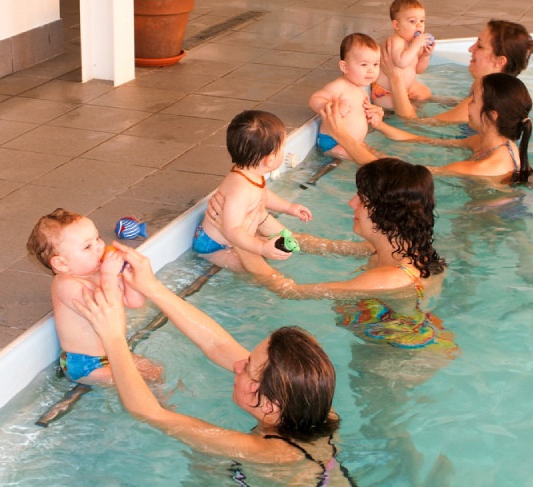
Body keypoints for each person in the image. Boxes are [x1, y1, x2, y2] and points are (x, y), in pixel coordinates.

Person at [70, 241, 357, 483]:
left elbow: (150, 413)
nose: (236, 364)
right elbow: (219, 344)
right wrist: (152, 287)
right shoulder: (313, 406)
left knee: (204, 460)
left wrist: (113, 337)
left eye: (247, 368)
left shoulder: (271, 452)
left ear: (270, 404)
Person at [225, 158, 457, 353]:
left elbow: (290, 291)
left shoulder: (389, 279)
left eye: (362, 200)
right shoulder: (403, 249)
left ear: (387, 213)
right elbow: (323, 246)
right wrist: (260, 218)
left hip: (397, 359)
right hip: (406, 337)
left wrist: (242, 243)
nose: (351, 203)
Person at [321, 73, 533, 185]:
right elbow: (422, 140)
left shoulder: (484, 167)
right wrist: (380, 125)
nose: (467, 104)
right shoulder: (488, 142)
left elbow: (401, 176)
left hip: (489, 224)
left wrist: (342, 135)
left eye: (474, 99)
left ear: (492, 116)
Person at [26, 209, 163, 385]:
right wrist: (109, 275)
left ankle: (165, 405)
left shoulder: (100, 273)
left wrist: (130, 276)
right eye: (87, 246)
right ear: (61, 263)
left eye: (97, 238)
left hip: (114, 352)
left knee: (155, 372)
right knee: (132, 383)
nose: (99, 246)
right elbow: (107, 310)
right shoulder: (65, 285)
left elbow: (135, 302)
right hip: (85, 364)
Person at [193, 110, 312, 270]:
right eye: (282, 148)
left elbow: (263, 194)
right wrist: (260, 248)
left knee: (270, 247)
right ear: (269, 160)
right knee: (247, 267)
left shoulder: (250, 173)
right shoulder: (240, 190)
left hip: (232, 235)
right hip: (213, 246)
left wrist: (288, 207)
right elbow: (232, 230)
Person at [385, 19, 533, 123]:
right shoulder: (487, 87)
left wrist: (395, 79)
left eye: (480, 46)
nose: (471, 49)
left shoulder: (481, 100)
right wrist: (430, 98)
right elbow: (459, 107)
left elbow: (413, 124)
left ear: (500, 61)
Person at [308, 33, 384, 161]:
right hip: (334, 143)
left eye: (375, 64)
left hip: (352, 144)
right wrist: (333, 107)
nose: (371, 70)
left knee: (381, 158)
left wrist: (372, 115)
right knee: (372, 163)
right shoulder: (339, 86)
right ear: (344, 67)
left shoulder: (361, 91)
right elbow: (314, 100)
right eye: (364, 65)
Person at [371, 0, 434, 109]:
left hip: (404, 89)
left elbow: (419, 70)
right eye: (412, 21)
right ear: (396, 25)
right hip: (384, 92)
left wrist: (425, 56)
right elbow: (401, 62)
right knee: (404, 108)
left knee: (426, 92)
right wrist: (415, 45)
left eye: (422, 21)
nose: (419, 25)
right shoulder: (397, 40)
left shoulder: (415, 44)